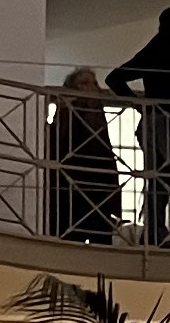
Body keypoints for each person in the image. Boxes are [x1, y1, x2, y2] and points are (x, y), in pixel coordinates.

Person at [105, 7, 170, 245]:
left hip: (150, 123)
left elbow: (114, 78)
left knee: (156, 183)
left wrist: (140, 105)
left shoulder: (154, 47)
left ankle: (154, 237)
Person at [47, 65, 120, 244]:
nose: (93, 88)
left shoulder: (97, 114)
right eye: (85, 83)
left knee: (100, 245)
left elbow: (106, 154)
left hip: (97, 189)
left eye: (94, 83)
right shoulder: (66, 114)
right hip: (71, 191)